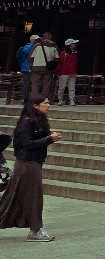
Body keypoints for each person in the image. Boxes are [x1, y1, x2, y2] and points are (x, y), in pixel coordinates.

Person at [0, 94, 60, 242]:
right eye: (45, 103)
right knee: (33, 197)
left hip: (33, 162)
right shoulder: (26, 122)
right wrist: (48, 139)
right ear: (35, 105)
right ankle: (35, 231)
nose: (48, 105)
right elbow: (27, 144)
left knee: (13, 198)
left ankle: (34, 230)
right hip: (27, 164)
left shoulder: (38, 120)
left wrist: (49, 138)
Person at [27, 33, 58, 100]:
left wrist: (31, 65)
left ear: (43, 38)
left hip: (36, 67)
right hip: (48, 68)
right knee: (47, 85)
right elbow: (57, 58)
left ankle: (34, 100)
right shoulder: (54, 46)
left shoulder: (37, 46)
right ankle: (45, 99)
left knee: (35, 84)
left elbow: (30, 57)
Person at [53, 39, 79, 106]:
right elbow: (60, 63)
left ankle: (72, 100)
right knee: (62, 87)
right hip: (64, 72)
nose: (74, 44)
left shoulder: (75, 52)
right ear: (70, 44)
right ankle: (60, 100)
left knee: (72, 87)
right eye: (73, 43)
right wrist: (58, 72)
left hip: (72, 72)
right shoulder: (63, 53)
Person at [16, 35, 37, 102]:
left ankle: (32, 98)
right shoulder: (27, 46)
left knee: (34, 84)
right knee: (27, 84)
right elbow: (27, 52)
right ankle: (25, 98)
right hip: (26, 68)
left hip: (34, 67)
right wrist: (33, 44)